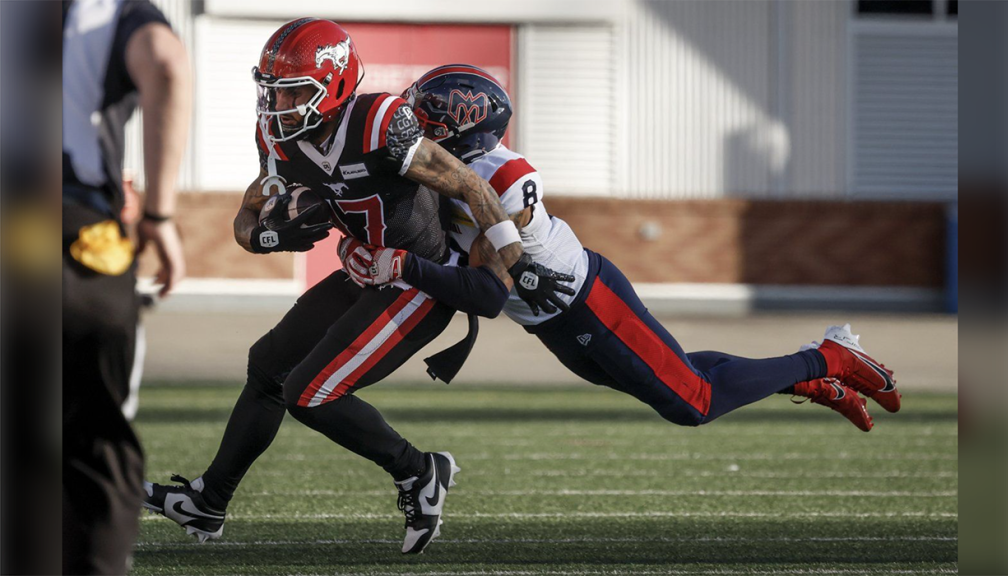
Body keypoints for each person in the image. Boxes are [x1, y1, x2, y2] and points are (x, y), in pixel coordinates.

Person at [142, 19, 573, 555]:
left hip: (418, 281)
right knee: (268, 366)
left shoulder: (378, 122)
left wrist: (518, 263)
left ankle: (420, 471)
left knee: (310, 392)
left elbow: (469, 184)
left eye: (295, 90)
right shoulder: (276, 135)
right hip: (365, 270)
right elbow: (246, 219)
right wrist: (269, 233)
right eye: (273, 90)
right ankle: (209, 502)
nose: (280, 104)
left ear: (336, 84)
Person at [350, 64, 902, 434]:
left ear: (463, 126)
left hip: (584, 298)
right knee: (673, 374)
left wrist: (402, 265)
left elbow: (485, 285)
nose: (412, 129)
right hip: (550, 320)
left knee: (693, 403)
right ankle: (809, 378)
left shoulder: (501, 176)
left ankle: (831, 356)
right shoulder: (443, 175)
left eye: (426, 118)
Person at [62, 0, 191, 574]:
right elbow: (166, 64)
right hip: (75, 240)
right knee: (98, 451)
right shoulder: (105, 10)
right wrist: (159, 217)